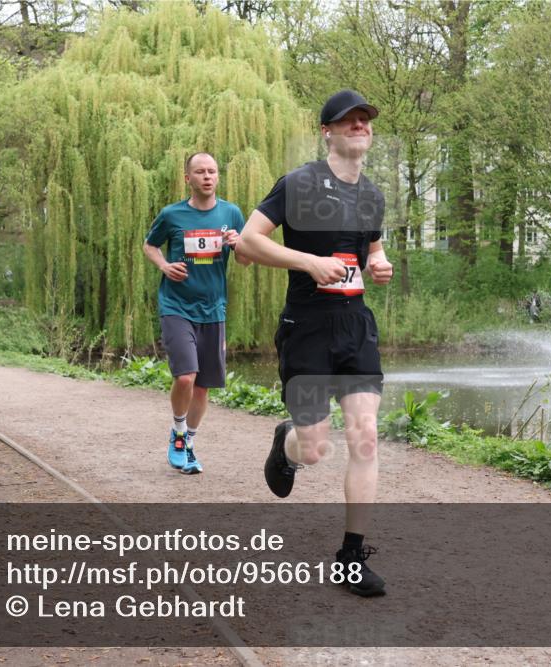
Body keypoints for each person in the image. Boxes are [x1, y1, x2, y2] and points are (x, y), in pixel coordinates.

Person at [237, 90, 393, 597]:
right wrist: (307, 262)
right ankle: (287, 444)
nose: (360, 126)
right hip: (306, 325)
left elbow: (372, 247)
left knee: (365, 435)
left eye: (365, 120)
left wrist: (378, 262)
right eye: (349, 121)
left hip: (355, 325)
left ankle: (350, 557)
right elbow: (248, 241)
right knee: (315, 447)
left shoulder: (372, 196)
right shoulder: (299, 183)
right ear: (326, 131)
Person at [143, 152, 249, 475]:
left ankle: (189, 441)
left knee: (202, 386)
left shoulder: (231, 213)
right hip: (176, 306)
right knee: (186, 376)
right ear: (187, 178)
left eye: (212, 171)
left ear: (218, 177)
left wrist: (238, 244)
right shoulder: (172, 215)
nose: (207, 176)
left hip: (213, 310)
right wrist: (164, 265)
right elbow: (149, 245)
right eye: (200, 172)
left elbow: (246, 260)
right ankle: (177, 433)